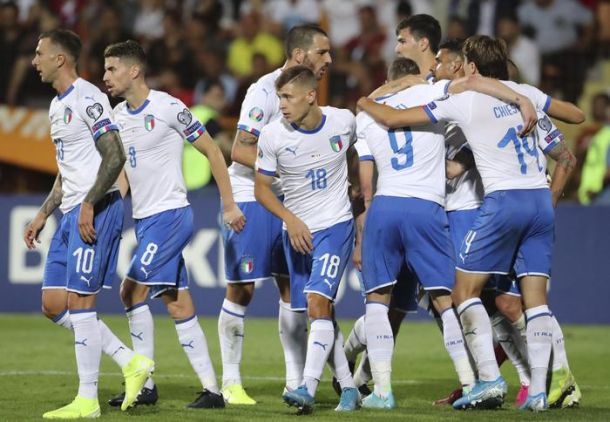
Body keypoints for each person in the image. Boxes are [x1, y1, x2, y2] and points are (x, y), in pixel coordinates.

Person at [357, 35, 585, 411]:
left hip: (499, 204)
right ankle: (541, 391)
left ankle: (489, 380)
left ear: (471, 67)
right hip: (539, 204)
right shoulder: (525, 93)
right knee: (532, 302)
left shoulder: (463, 101)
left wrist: (365, 101)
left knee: (463, 293)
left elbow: (394, 118)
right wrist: (531, 102)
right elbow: (573, 125)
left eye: (461, 62)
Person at [101, 39, 245, 409]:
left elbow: (213, 150)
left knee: (130, 292)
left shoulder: (168, 107)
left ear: (134, 70)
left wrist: (228, 204)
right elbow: (123, 172)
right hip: (145, 219)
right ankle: (212, 391)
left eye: (112, 68)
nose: (106, 76)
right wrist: (110, 209)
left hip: (171, 216)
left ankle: (143, 383)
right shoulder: (117, 116)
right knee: (177, 303)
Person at [23, 29, 153, 419]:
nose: (34, 61)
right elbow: (68, 169)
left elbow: (115, 155)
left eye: (39, 53)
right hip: (70, 213)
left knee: (81, 303)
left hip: (95, 210)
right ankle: (130, 360)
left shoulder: (89, 98)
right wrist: (44, 212)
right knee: (53, 305)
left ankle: (87, 400)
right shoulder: (56, 105)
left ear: (60, 59)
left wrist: (89, 203)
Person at [220, 24, 331, 404]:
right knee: (242, 288)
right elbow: (239, 149)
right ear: (300, 55)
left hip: (291, 201)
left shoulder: (311, 95)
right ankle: (231, 382)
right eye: (322, 52)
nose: (329, 59)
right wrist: (288, 169)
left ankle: (294, 382)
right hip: (252, 195)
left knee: (292, 289)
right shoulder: (264, 91)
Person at [254, 65, 359, 414]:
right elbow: (261, 190)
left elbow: (356, 152)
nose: (281, 105)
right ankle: (348, 388)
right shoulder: (273, 136)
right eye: (279, 97)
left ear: (310, 96)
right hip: (296, 234)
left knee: (317, 304)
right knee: (320, 312)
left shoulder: (343, 122)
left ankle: (307, 388)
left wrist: (357, 189)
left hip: (335, 226)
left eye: (287, 97)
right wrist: (290, 219)